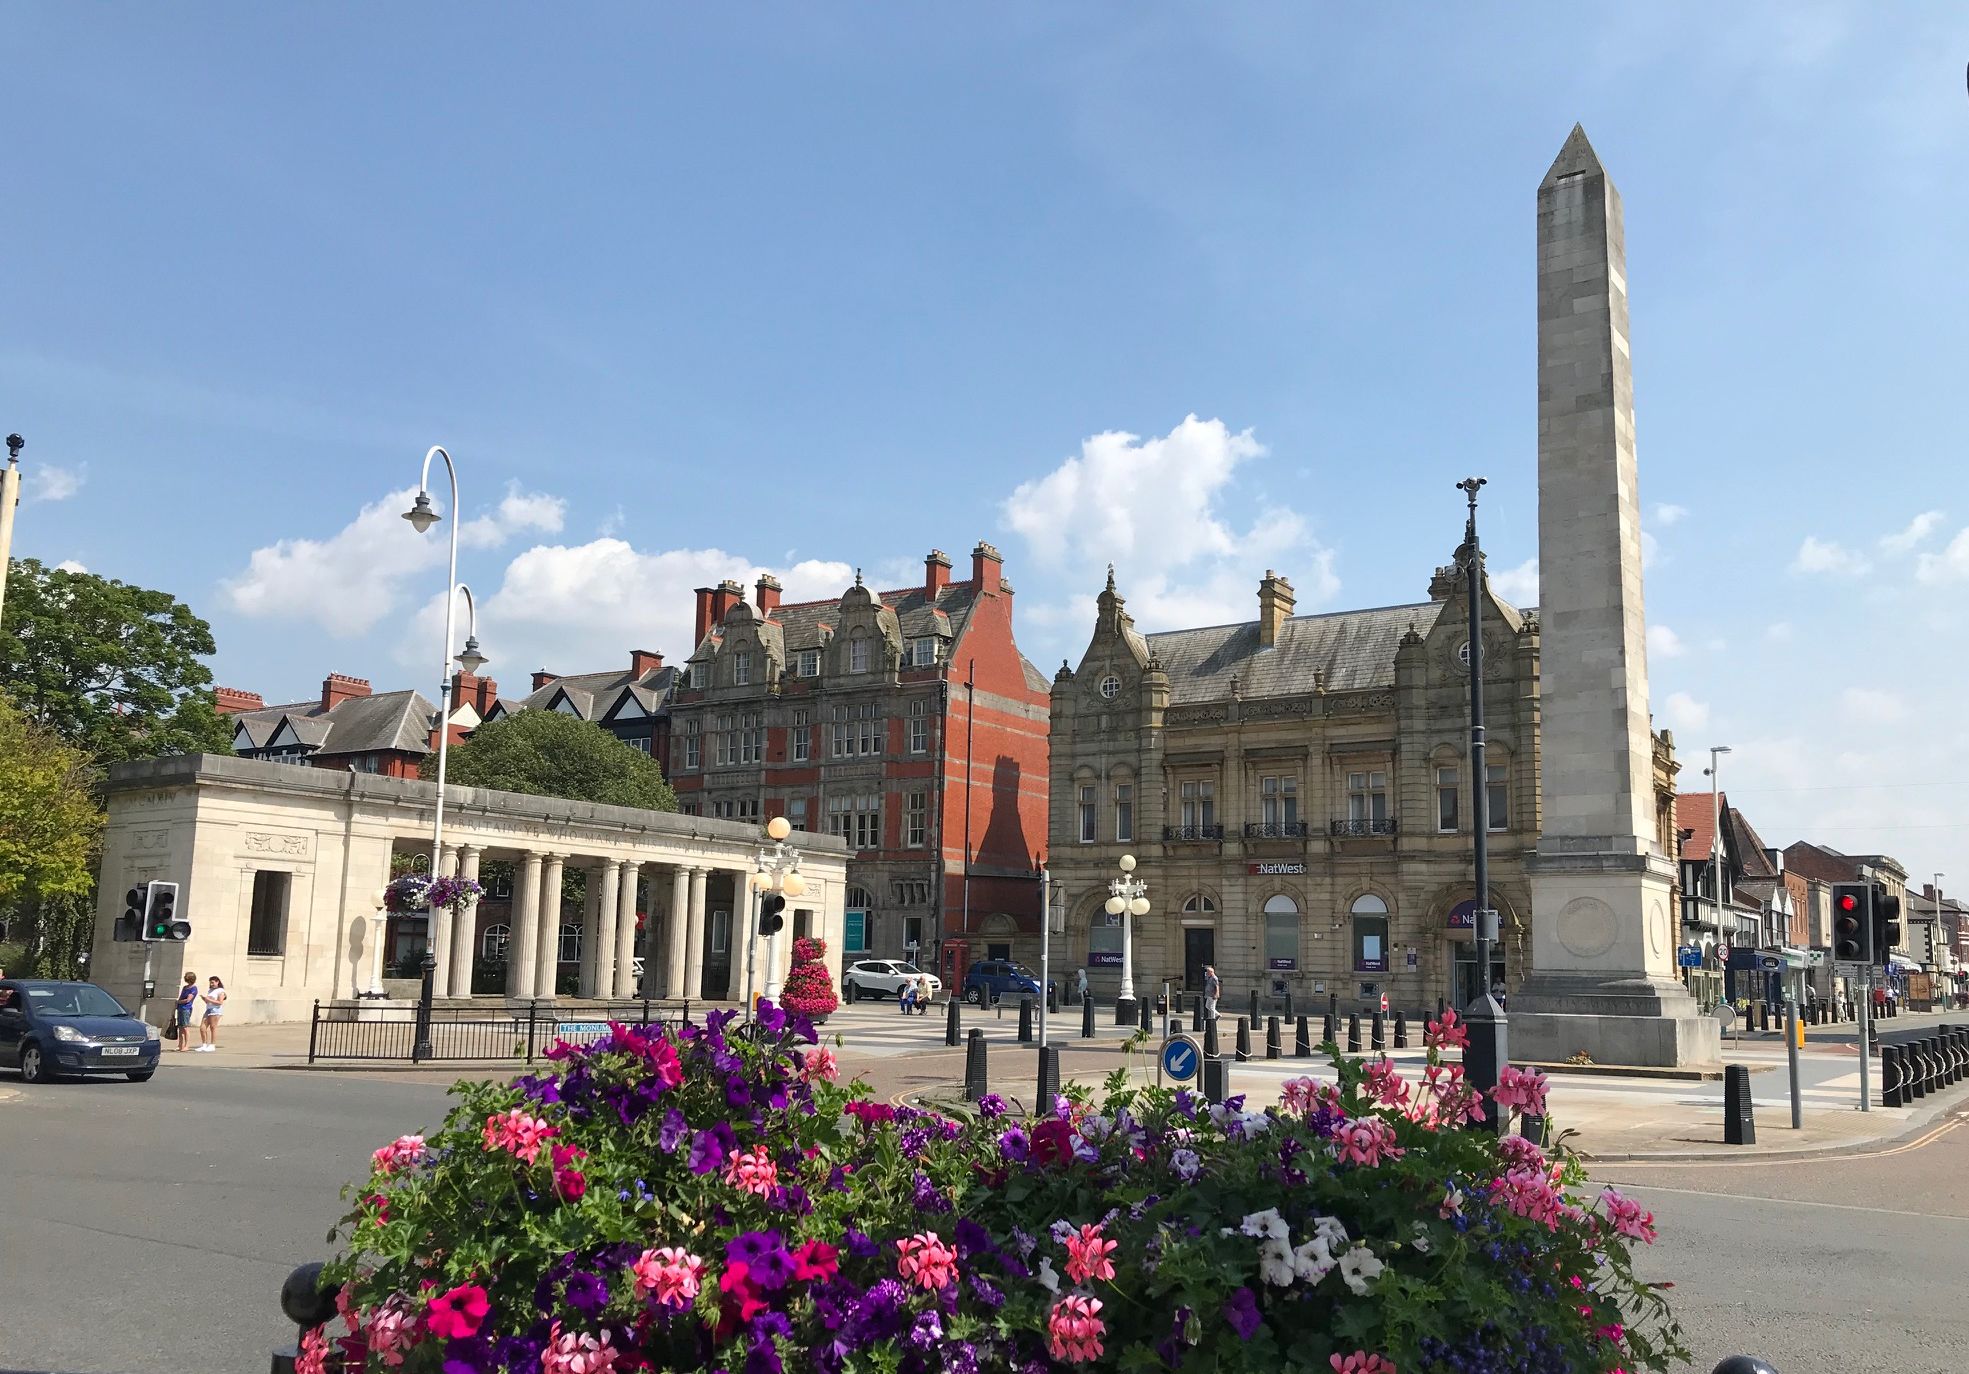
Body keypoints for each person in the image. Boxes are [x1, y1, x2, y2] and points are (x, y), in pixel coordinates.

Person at [197, 975, 227, 1051]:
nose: (211, 984)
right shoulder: (210, 990)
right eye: (210, 983)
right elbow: (207, 1001)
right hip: (208, 1009)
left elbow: (220, 1002)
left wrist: (209, 1000)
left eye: (213, 982)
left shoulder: (221, 991)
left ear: (217, 982)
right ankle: (204, 1044)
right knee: (202, 1027)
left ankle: (212, 1045)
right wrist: (204, 999)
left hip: (215, 1010)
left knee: (213, 1027)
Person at [174, 972, 200, 1051]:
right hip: (180, 1008)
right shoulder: (185, 987)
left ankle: (186, 1045)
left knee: (185, 1027)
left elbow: (188, 999)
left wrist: (178, 1002)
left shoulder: (193, 989)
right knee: (180, 1027)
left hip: (186, 1009)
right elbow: (181, 997)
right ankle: (180, 1045)